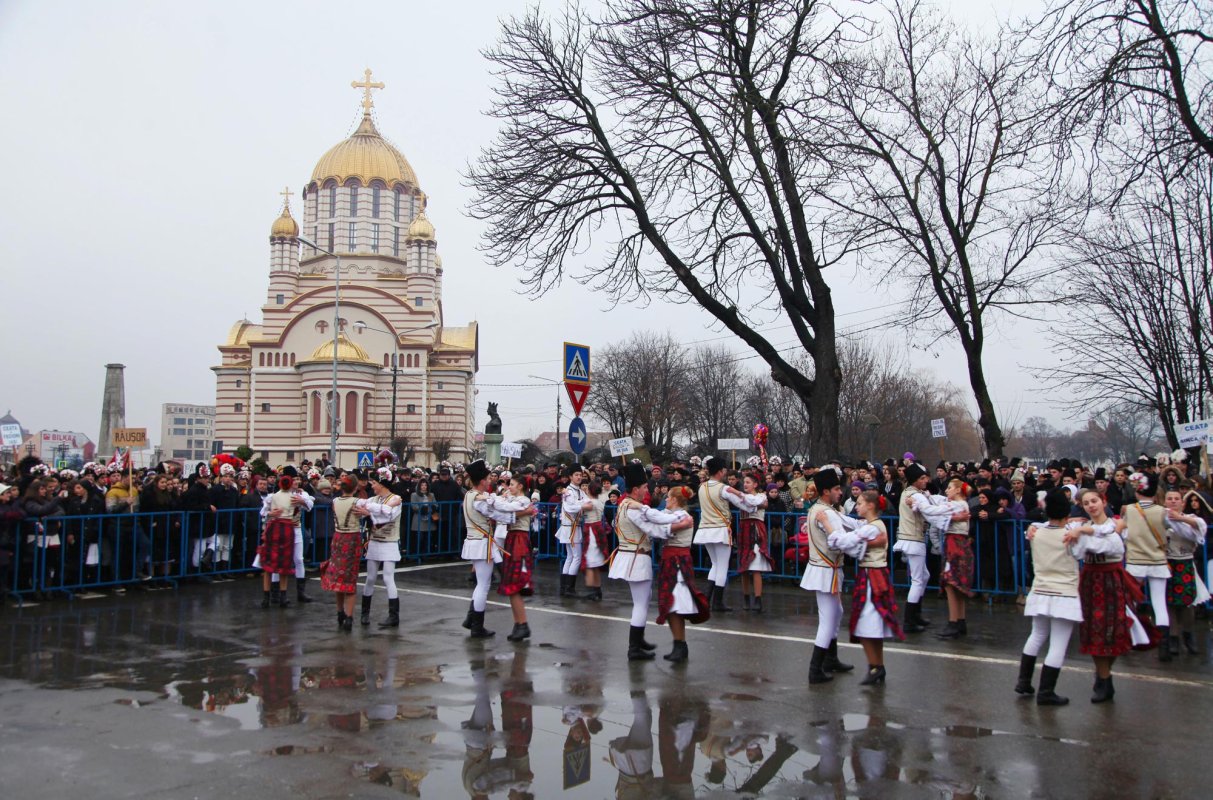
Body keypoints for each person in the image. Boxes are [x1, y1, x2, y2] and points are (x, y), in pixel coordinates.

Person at [1071, 489, 1156, 703]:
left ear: (1103, 501)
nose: (1091, 505)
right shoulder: (1088, 527)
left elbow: (1112, 546)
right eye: (1087, 502)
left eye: (1094, 501)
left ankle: (1103, 675)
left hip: (1112, 578)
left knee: (1115, 629)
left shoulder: (1114, 525)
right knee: (1094, 629)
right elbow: (1078, 552)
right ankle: (1104, 679)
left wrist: (1086, 532)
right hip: (1091, 579)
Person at [828, 489, 905, 685]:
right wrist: (835, 514)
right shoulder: (870, 525)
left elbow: (847, 541)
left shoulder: (872, 528)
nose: (857, 506)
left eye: (860, 503)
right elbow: (853, 526)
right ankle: (876, 666)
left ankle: (876, 667)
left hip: (873, 576)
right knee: (872, 624)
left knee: (867, 623)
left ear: (871, 506)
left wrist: (829, 526)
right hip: (872, 574)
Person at [1016, 490, 1083, 706]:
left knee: (1037, 635)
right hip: (1064, 593)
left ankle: (1023, 681)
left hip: (1040, 590)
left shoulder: (1037, 532)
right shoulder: (1071, 536)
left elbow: (1040, 528)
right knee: (1058, 644)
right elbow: (1082, 552)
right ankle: (1046, 691)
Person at [609, 462, 674, 661]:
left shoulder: (624, 504)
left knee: (643, 601)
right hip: (636, 558)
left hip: (631, 555)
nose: (647, 490)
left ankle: (639, 641)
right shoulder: (633, 508)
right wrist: (672, 528)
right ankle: (634, 647)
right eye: (645, 487)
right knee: (640, 604)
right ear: (636, 489)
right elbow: (652, 529)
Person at [801, 468, 854, 684]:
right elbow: (841, 538)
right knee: (828, 619)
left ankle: (831, 659)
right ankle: (815, 669)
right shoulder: (826, 512)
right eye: (835, 489)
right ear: (825, 491)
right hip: (826, 569)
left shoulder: (821, 508)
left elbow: (850, 523)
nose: (840, 492)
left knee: (836, 612)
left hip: (824, 568)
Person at [646, 485, 708, 662]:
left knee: (675, 604)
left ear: (674, 500)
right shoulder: (675, 515)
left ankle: (680, 645)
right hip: (672, 559)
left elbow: (659, 520)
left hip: (677, 561)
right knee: (672, 604)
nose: (665, 500)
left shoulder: (681, 516)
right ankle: (678, 645)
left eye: (668, 497)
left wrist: (641, 509)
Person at [1122, 471, 1173, 662]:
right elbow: (1170, 529)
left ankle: (1133, 638)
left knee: (1129, 601)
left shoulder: (1129, 510)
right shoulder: (1162, 511)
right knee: (1160, 604)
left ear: (1137, 491)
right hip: (1158, 560)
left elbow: (1124, 533)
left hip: (1135, 561)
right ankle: (1164, 647)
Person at [919, 479, 974, 639]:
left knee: (951, 583)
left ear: (958, 490)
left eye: (950, 488)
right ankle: (960, 621)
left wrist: (919, 504)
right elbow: (939, 505)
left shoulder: (957, 505)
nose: (947, 491)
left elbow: (935, 511)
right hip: (957, 543)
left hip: (955, 544)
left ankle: (953, 622)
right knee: (956, 584)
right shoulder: (961, 505)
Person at [694, 457, 749, 612]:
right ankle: (717, 602)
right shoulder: (723, 488)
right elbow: (741, 502)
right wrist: (756, 501)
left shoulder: (701, 487)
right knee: (722, 566)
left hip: (705, 529)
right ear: (720, 472)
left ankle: (707, 598)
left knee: (715, 564)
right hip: (720, 530)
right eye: (724, 470)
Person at [352, 469, 404, 628]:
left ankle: (393, 615)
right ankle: (365, 613)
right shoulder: (374, 498)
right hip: (374, 541)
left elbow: (385, 518)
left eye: (374, 483)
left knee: (388, 578)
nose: (371, 485)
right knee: (370, 578)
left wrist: (369, 512)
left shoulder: (395, 499)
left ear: (382, 483)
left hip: (389, 542)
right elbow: (358, 503)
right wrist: (368, 510)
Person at [1163, 488, 1210, 656]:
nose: (1173, 501)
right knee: (1170, 604)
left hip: (1185, 564)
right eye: (1170, 498)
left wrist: (1179, 518)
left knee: (1187, 603)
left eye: (1177, 498)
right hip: (1167, 564)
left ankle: (1188, 636)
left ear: (1182, 503)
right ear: (1165, 501)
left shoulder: (1191, 519)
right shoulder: (1161, 519)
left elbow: (1199, 529)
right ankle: (1173, 637)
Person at [460, 460, 503, 638]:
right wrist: (517, 512)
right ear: (482, 481)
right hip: (481, 542)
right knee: (483, 586)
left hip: (475, 541)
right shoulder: (479, 498)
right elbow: (495, 513)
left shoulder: (470, 494)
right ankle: (477, 626)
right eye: (487, 478)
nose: (490, 481)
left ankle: (471, 619)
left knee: (481, 583)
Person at [493, 474, 538, 642]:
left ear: (520, 486)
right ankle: (519, 623)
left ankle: (522, 624)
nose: (508, 487)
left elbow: (508, 510)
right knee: (511, 585)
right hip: (513, 538)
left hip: (520, 539)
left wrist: (500, 500)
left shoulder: (524, 500)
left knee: (515, 584)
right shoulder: (514, 499)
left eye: (511, 484)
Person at [894, 463, 934, 633]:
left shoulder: (909, 493)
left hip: (912, 537)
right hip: (913, 538)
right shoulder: (914, 495)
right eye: (922, 478)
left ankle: (916, 614)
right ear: (915, 480)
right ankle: (909, 620)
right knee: (918, 579)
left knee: (924, 576)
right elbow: (930, 511)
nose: (926, 481)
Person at [322, 475, 363, 631]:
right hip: (351, 538)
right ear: (354, 488)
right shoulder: (356, 502)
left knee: (338, 575)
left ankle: (340, 612)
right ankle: (349, 617)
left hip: (338, 537)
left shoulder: (335, 501)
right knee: (350, 577)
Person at [258, 475, 302, 607]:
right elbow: (307, 505)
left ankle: (267, 597)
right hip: (287, 528)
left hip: (276, 527)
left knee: (269, 563)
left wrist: (270, 514)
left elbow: (262, 512)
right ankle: (282, 596)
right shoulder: (294, 497)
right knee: (284, 563)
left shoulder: (273, 497)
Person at [736, 473, 772, 612]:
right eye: (744, 482)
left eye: (748, 482)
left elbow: (759, 502)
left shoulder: (761, 496)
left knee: (756, 566)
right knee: (744, 567)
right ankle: (746, 597)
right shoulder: (743, 497)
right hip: (744, 530)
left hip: (756, 530)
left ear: (755, 484)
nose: (745, 485)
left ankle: (758, 598)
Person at [557, 467, 594, 598]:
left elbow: (588, 501)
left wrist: (582, 503)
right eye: (576, 475)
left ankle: (564, 587)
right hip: (570, 527)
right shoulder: (568, 491)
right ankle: (568, 587)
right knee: (576, 557)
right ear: (571, 477)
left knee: (570, 557)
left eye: (580, 475)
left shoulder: (578, 491)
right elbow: (570, 507)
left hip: (574, 526)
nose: (579, 477)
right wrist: (583, 505)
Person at [580, 478, 610, 601]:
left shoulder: (590, 502)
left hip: (592, 530)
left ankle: (592, 590)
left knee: (589, 562)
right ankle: (597, 591)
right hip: (597, 529)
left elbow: (579, 508)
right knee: (595, 564)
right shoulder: (599, 502)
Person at [409, 479, 436, 554]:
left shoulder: (431, 495)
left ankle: (426, 553)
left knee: (428, 537)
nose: (424, 487)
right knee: (419, 537)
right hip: (419, 519)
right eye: (422, 485)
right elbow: (414, 506)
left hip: (429, 518)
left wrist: (431, 508)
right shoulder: (414, 494)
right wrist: (424, 509)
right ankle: (418, 553)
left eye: (425, 485)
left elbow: (435, 504)